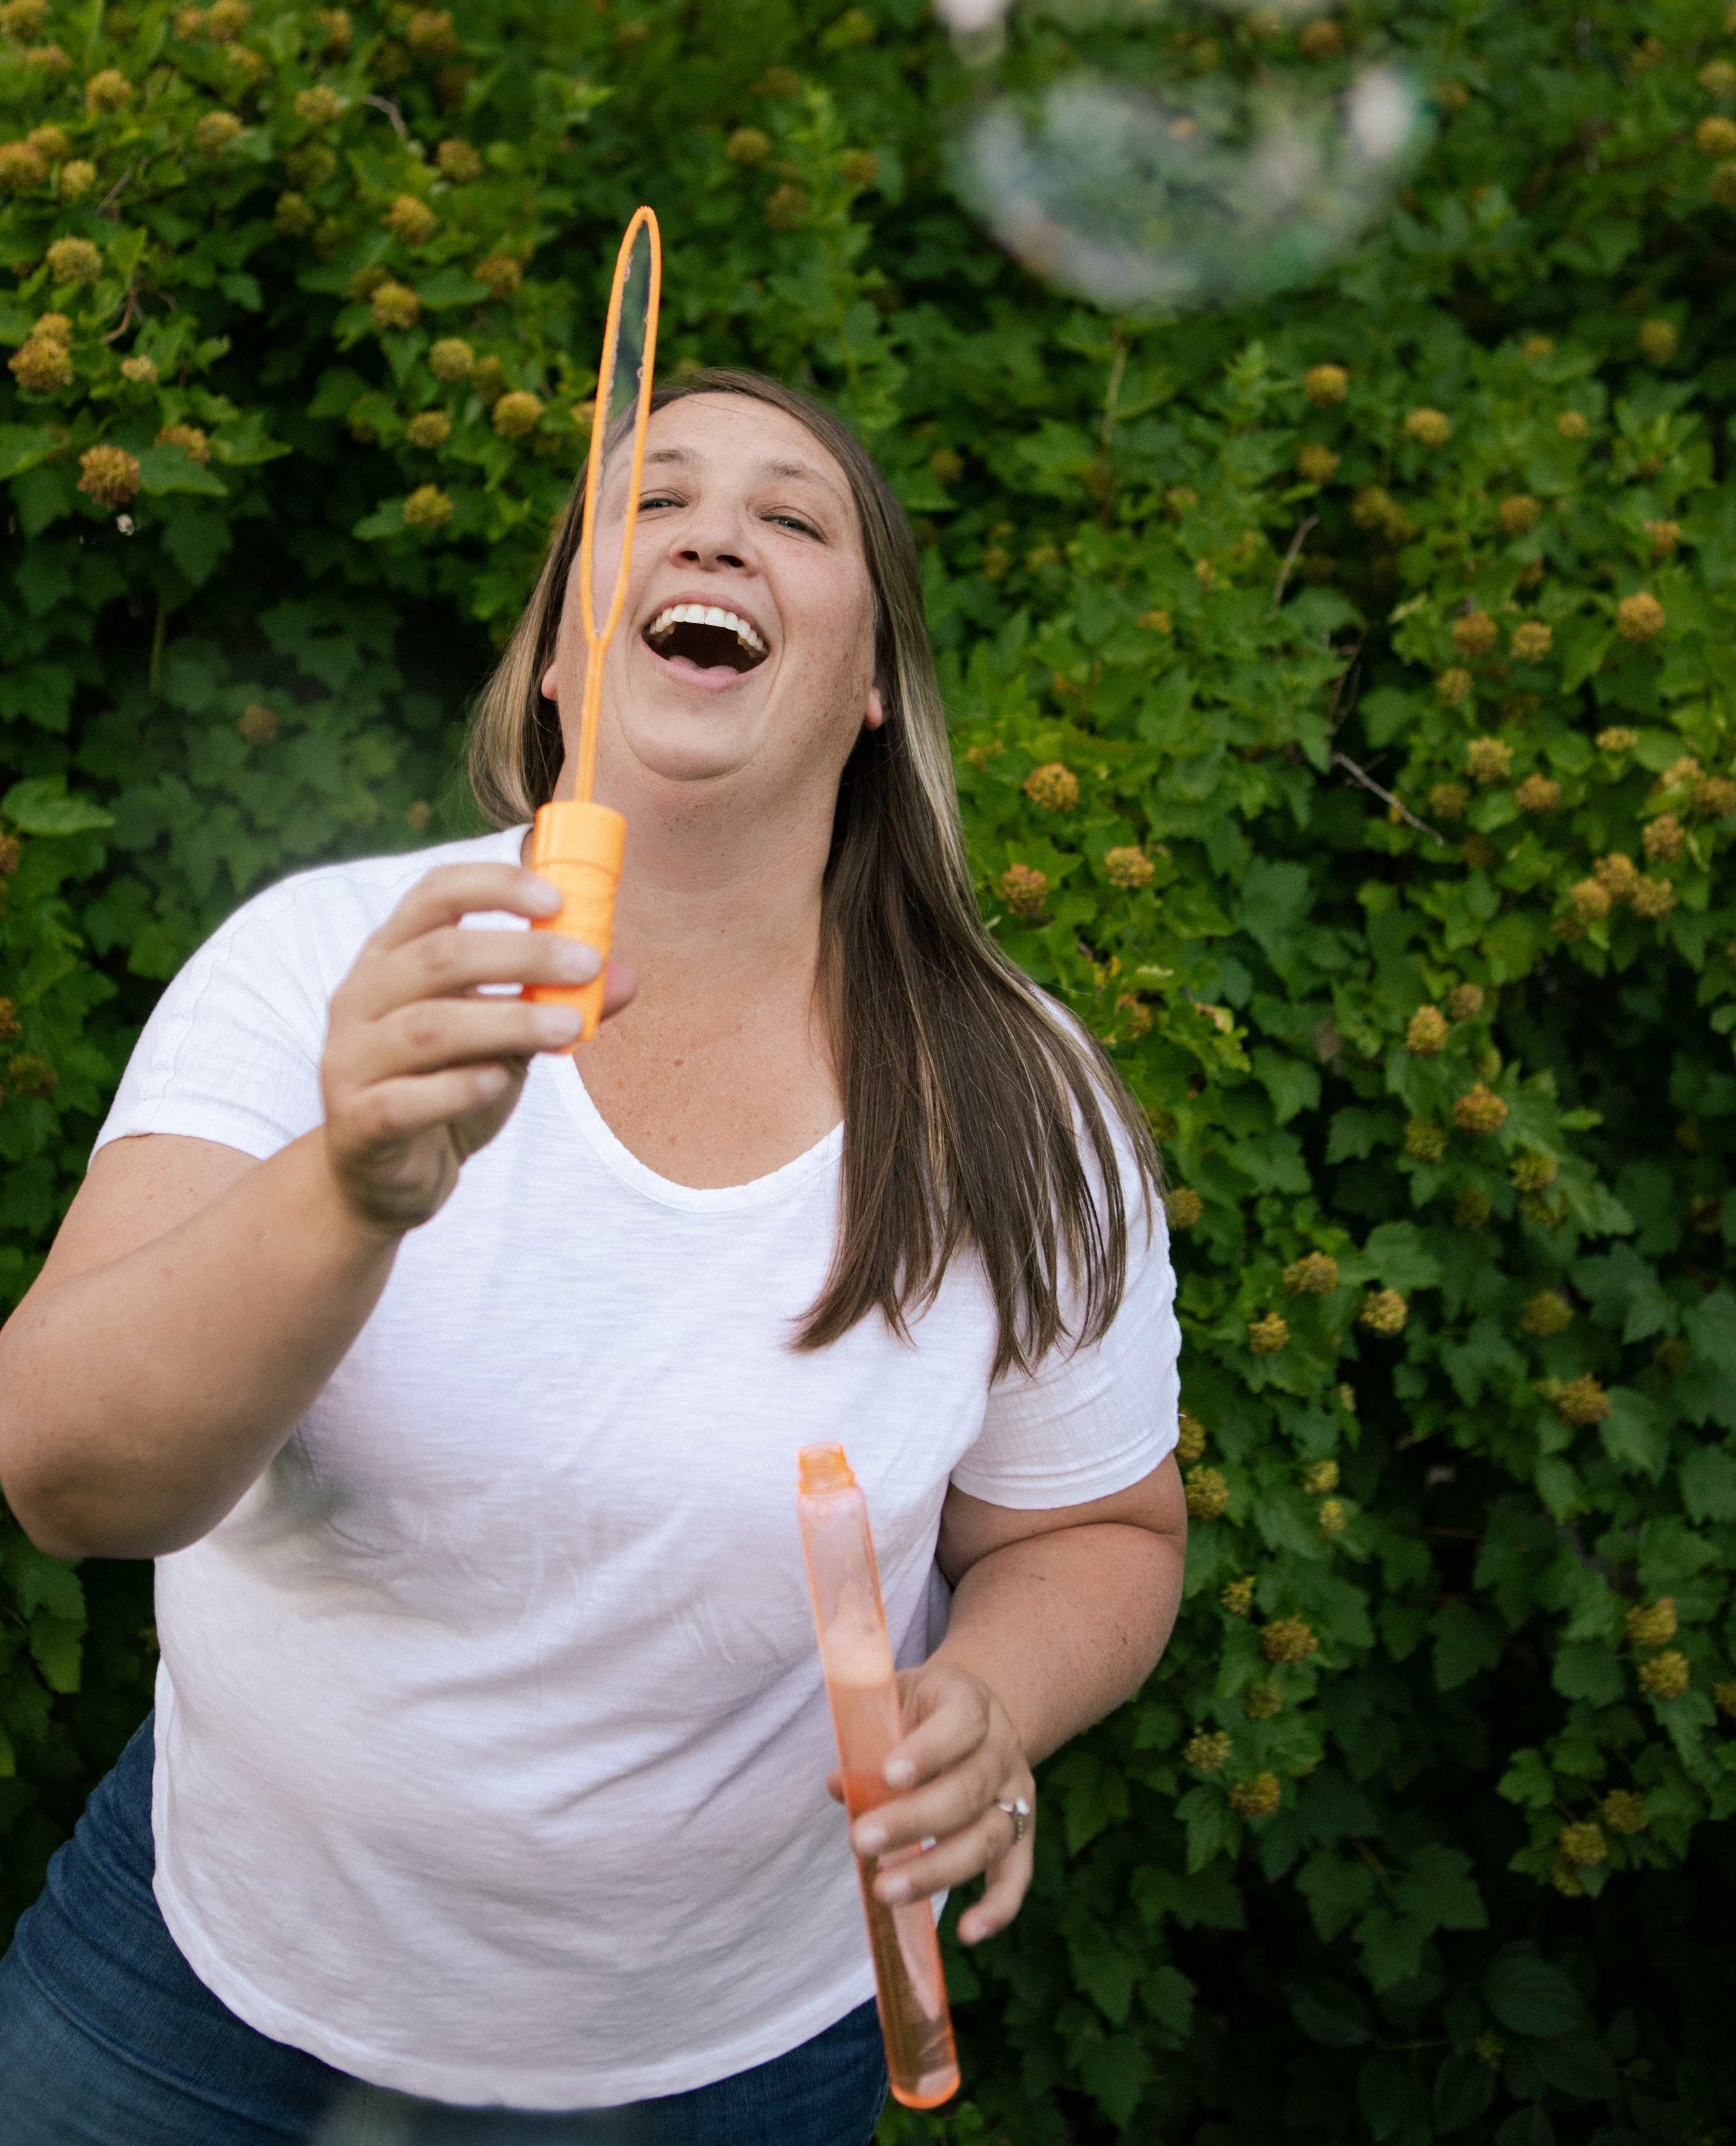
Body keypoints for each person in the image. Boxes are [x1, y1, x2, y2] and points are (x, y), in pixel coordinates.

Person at [0, 369, 1186, 2145]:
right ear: (557, 660)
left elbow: (1097, 1528)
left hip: (716, 2063)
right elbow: (68, 1478)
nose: (713, 529)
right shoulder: (324, 967)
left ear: (870, 687)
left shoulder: (1019, 1098)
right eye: (650, 503)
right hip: (200, 2004)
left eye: (792, 517)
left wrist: (993, 1700)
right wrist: (349, 1190)